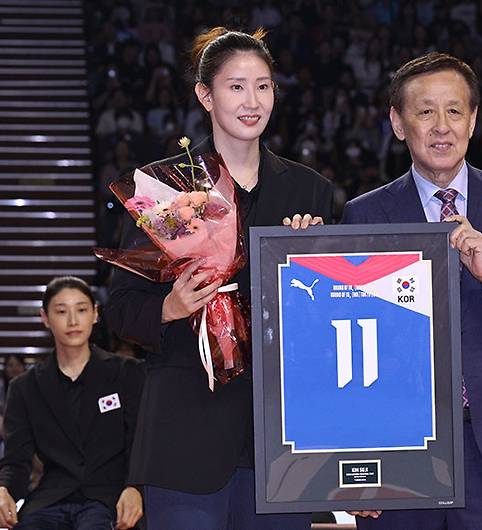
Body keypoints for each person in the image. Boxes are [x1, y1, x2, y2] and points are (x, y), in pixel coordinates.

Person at [105, 27, 333, 530]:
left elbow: (329, 314)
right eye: (236, 86)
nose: (252, 101)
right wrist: (170, 307)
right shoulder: (164, 187)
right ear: (205, 95)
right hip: (186, 430)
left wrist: (314, 260)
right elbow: (120, 307)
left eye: (264, 85)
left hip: (280, 436)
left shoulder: (310, 191)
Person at [342, 52, 482, 529]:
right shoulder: (364, 214)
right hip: (398, 457)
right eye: (425, 111)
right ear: (398, 124)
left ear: (474, 120)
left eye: (454, 110)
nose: (441, 126)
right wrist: (356, 463)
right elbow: (350, 343)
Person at [0, 276, 144, 530]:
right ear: (45, 318)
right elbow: (16, 460)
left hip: (110, 499)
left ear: (95, 314)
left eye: (81, 309)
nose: (73, 320)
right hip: (50, 500)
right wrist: (4, 489)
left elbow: (140, 441)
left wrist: (135, 487)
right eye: (61, 311)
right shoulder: (25, 387)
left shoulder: (127, 373)